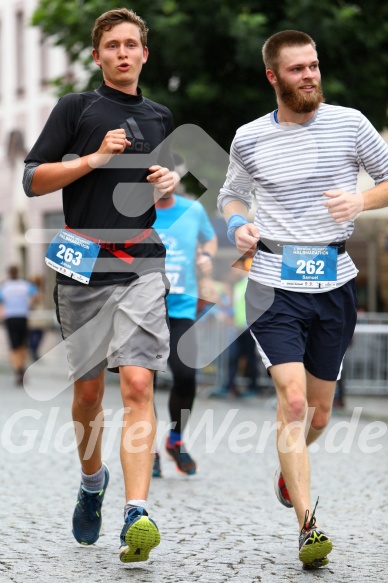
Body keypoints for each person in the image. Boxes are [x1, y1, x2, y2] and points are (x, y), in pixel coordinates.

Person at [218, 30, 388, 569]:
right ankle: (308, 527)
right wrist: (239, 225)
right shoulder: (249, 137)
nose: (310, 75)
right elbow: (230, 195)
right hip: (272, 281)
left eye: (314, 65)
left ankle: (290, 469)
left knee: (319, 413)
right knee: (291, 402)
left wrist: (360, 198)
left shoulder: (350, 123)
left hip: (334, 282)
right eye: (297, 69)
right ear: (273, 76)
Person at [23, 8, 178, 564]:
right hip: (82, 267)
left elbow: (159, 198)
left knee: (138, 385)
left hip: (139, 263)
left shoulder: (160, 116)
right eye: (111, 45)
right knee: (88, 394)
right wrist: (93, 159)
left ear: (143, 54)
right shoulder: (77, 108)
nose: (121, 52)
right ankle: (93, 483)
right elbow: (32, 179)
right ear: (97, 56)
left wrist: (168, 184)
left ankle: (137, 511)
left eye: (131, 44)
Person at [152, 184, 217, 477]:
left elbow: (210, 239)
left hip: (181, 310)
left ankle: (175, 440)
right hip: (144, 310)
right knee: (143, 385)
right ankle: (147, 450)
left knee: (187, 375)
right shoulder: (136, 210)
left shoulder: (193, 210)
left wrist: (206, 256)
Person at [210, 257, 260, 398]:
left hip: (249, 327)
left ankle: (252, 388)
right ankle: (230, 386)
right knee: (234, 357)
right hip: (239, 328)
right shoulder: (238, 285)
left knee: (250, 358)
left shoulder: (251, 283)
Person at [0, 265, 38, 385]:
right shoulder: (25, 285)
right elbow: (37, 295)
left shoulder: (4, 286)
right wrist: (31, 304)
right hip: (23, 316)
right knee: (22, 344)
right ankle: (22, 366)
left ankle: (18, 370)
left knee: (13, 345)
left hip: (10, 318)